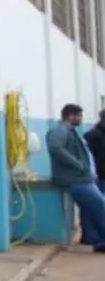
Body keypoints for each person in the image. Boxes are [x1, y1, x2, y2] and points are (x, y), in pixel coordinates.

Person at [46, 104, 105, 252]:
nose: (80, 119)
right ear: (70, 115)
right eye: (79, 115)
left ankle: (98, 240)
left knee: (94, 208)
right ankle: (98, 240)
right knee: (99, 207)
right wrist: (78, 164)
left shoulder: (70, 131)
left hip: (82, 178)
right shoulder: (59, 130)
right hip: (75, 179)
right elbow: (56, 148)